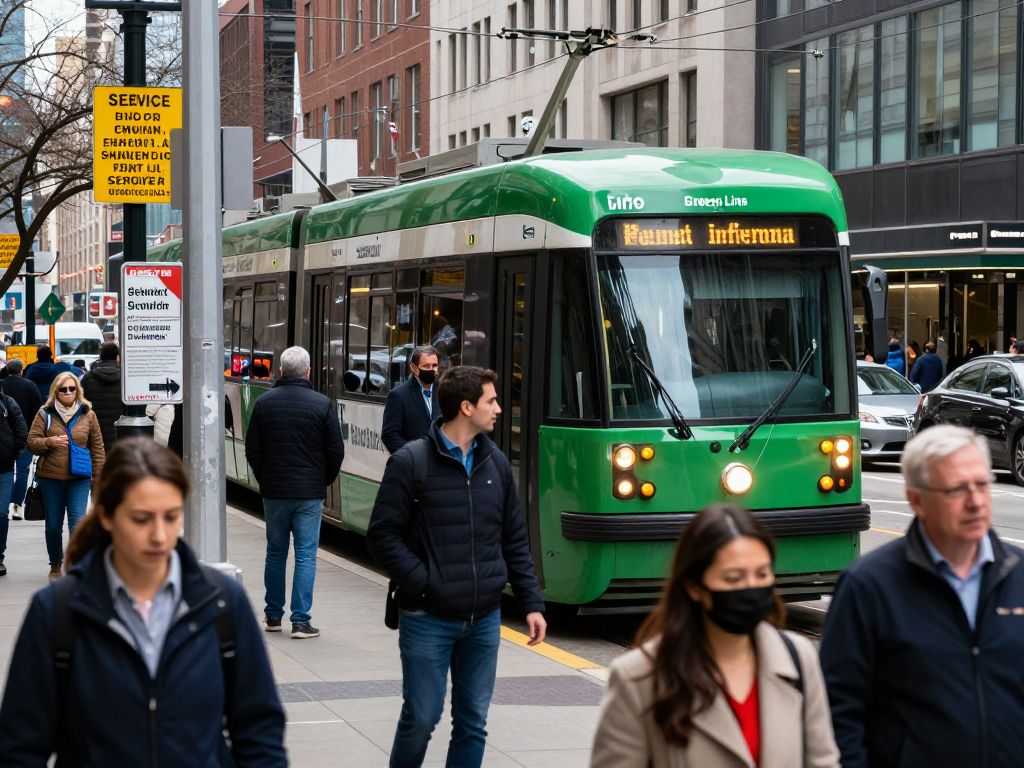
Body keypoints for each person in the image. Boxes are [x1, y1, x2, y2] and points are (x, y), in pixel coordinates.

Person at [0, 438, 287, 766]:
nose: (159, 535)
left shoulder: (221, 602)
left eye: (171, 516)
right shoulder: (57, 611)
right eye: (141, 518)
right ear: (106, 516)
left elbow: (260, 731)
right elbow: (20, 747)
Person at [368, 365, 547, 768]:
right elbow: (382, 536)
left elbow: (514, 539)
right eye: (492, 400)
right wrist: (426, 582)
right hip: (426, 616)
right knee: (422, 717)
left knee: (472, 722)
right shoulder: (411, 461)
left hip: (483, 619)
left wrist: (531, 603)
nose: (500, 408)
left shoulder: (495, 464)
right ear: (467, 407)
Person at [820, 425, 1024, 768]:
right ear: (917, 499)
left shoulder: (1019, 575)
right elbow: (838, 713)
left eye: (982, 484)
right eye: (957, 489)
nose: (975, 501)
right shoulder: (868, 587)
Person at [590, 504, 838, 768]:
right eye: (733, 578)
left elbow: (822, 761)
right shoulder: (638, 678)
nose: (751, 588)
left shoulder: (799, 660)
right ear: (695, 587)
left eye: (762, 574)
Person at [245, 346, 344, 639]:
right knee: (305, 555)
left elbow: (253, 448)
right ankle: (300, 622)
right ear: (308, 372)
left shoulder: (264, 403)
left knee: (275, 552)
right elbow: (335, 450)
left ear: (280, 372)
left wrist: (265, 479)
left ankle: (273, 616)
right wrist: (322, 480)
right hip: (309, 493)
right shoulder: (322, 404)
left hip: (274, 492)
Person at [26, 372, 106, 579]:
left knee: (77, 525)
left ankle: (76, 565)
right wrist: (50, 442)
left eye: (72, 388)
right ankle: (55, 564)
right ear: (56, 391)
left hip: (78, 479)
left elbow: (97, 447)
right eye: (63, 389)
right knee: (53, 526)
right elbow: (31, 442)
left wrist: (99, 478)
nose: (68, 392)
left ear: (78, 390)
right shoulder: (44, 413)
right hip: (50, 478)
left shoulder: (88, 414)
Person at [381, 344, 440, 454]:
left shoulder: (444, 392)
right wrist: (413, 456)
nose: (431, 370)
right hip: (413, 464)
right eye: (426, 366)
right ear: (414, 368)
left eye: (434, 365)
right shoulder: (398, 395)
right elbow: (389, 435)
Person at [1, 359, 41, 520]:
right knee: (22, 471)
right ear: (22, 370)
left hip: (4, 438)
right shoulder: (30, 385)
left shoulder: (2, 384)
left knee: (6, 472)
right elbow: (38, 409)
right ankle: (17, 504)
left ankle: (5, 501)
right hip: (26, 434)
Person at [0, 387, 26, 576]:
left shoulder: (7, 402)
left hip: (4, 467)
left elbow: (20, 430)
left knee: (1, 513)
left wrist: (11, 452)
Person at [80, 341, 123, 452]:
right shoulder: (125, 378)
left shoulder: (88, 377)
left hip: (95, 430)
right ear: (117, 357)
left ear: (101, 356)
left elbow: (81, 403)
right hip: (119, 430)